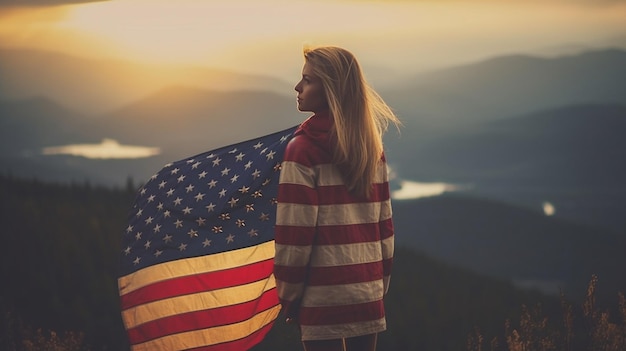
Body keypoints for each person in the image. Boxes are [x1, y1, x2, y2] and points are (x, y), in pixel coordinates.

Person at [274, 46, 400, 351]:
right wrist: (376, 287)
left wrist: (289, 297)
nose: (298, 87)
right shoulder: (371, 147)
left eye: (307, 80)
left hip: (322, 295)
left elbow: (295, 238)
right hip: (367, 291)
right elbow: (385, 229)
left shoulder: (302, 150)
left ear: (330, 89)